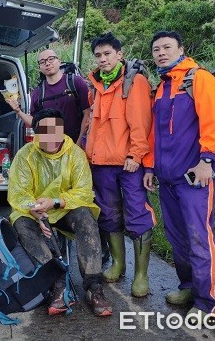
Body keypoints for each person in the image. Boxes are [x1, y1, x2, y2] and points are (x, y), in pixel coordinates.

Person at [143, 30, 215, 317]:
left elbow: (214, 122)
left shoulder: (199, 78)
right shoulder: (162, 86)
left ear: (181, 49)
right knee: (177, 237)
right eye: (156, 49)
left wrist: (207, 161)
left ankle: (207, 302)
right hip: (167, 178)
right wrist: (150, 166)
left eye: (167, 47)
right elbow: (155, 133)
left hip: (194, 177)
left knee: (199, 237)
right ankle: (189, 285)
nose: (161, 53)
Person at [7, 108, 112, 317]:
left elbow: (83, 191)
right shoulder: (25, 155)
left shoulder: (75, 154)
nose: (51, 137)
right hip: (35, 212)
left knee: (85, 217)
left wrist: (56, 201)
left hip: (63, 209)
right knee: (20, 223)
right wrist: (34, 210)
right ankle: (57, 283)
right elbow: (19, 192)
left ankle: (94, 287)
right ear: (36, 133)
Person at [85, 33, 156, 297]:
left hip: (128, 163)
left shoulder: (133, 82)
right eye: (98, 56)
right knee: (109, 213)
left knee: (136, 214)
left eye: (107, 54)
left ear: (119, 54)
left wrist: (136, 155)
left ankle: (141, 275)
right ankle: (118, 264)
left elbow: (141, 123)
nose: (102, 59)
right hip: (101, 163)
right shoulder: (95, 85)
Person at [6, 49, 90, 145]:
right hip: (51, 147)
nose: (47, 63)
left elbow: (87, 113)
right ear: (39, 67)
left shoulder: (76, 82)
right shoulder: (37, 93)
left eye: (51, 59)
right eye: (43, 62)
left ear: (59, 61)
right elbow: (35, 121)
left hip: (76, 143)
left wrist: (79, 143)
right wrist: (18, 111)